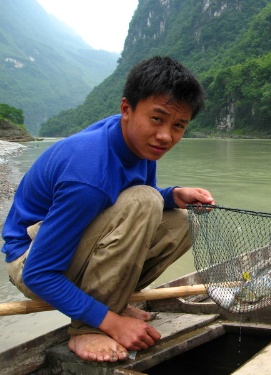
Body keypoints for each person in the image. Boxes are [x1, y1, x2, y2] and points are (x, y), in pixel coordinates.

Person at [1, 56, 215, 363]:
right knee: (144, 200)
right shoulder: (88, 175)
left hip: (66, 250)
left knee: (183, 220)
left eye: (178, 125)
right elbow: (39, 274)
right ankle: (89, 327)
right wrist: (110, 323)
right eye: (157, 118)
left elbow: (125, 197)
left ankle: (109, 301)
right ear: (126, 109)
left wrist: (173, 195)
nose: (166, 136)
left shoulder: (139, 146)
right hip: (31, 261)